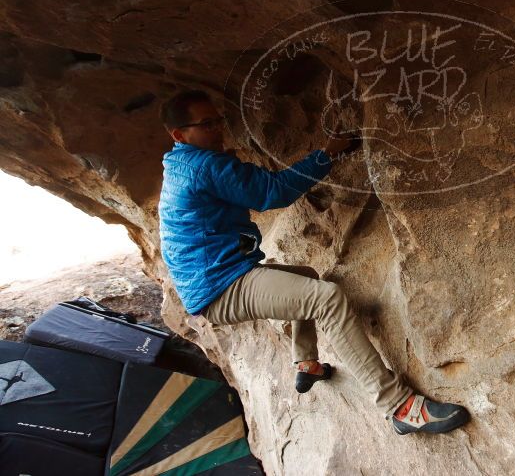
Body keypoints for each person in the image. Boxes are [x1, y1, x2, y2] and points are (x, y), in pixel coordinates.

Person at [157, 89, 470, 435]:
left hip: (214, 279)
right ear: (179, 134)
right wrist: (328, 153)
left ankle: (306, 362)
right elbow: (275, 191)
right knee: (327, 299)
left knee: (307, 277)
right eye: (206, 124)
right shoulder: (205, 165)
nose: (218, 129)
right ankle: (399, 407)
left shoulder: (179, 163)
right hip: (221, 287)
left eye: (217, 120)